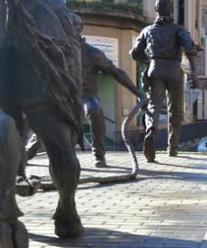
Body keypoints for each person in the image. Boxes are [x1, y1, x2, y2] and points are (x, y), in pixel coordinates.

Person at [26, 15, 140, 168]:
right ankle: (28, 151)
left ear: (78, 30)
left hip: (87, 95)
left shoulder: (92, 53)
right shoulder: (57, 50)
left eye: (70, 27)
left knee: (95, 109)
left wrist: (138, 93)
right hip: (64, 96)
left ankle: (99, 154)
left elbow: (116, 72)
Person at [131, 0, 198, 163]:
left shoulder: (147, 30)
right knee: (175, 110)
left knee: (153, 106)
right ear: (171, 11)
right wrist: (193, 68)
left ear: (156, 10)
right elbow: (190, 47)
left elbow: (134, 53)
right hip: (174, 70)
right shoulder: (178, 30)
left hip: (155, 69)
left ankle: (151, 131)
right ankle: (173, 148)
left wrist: (149, 60)